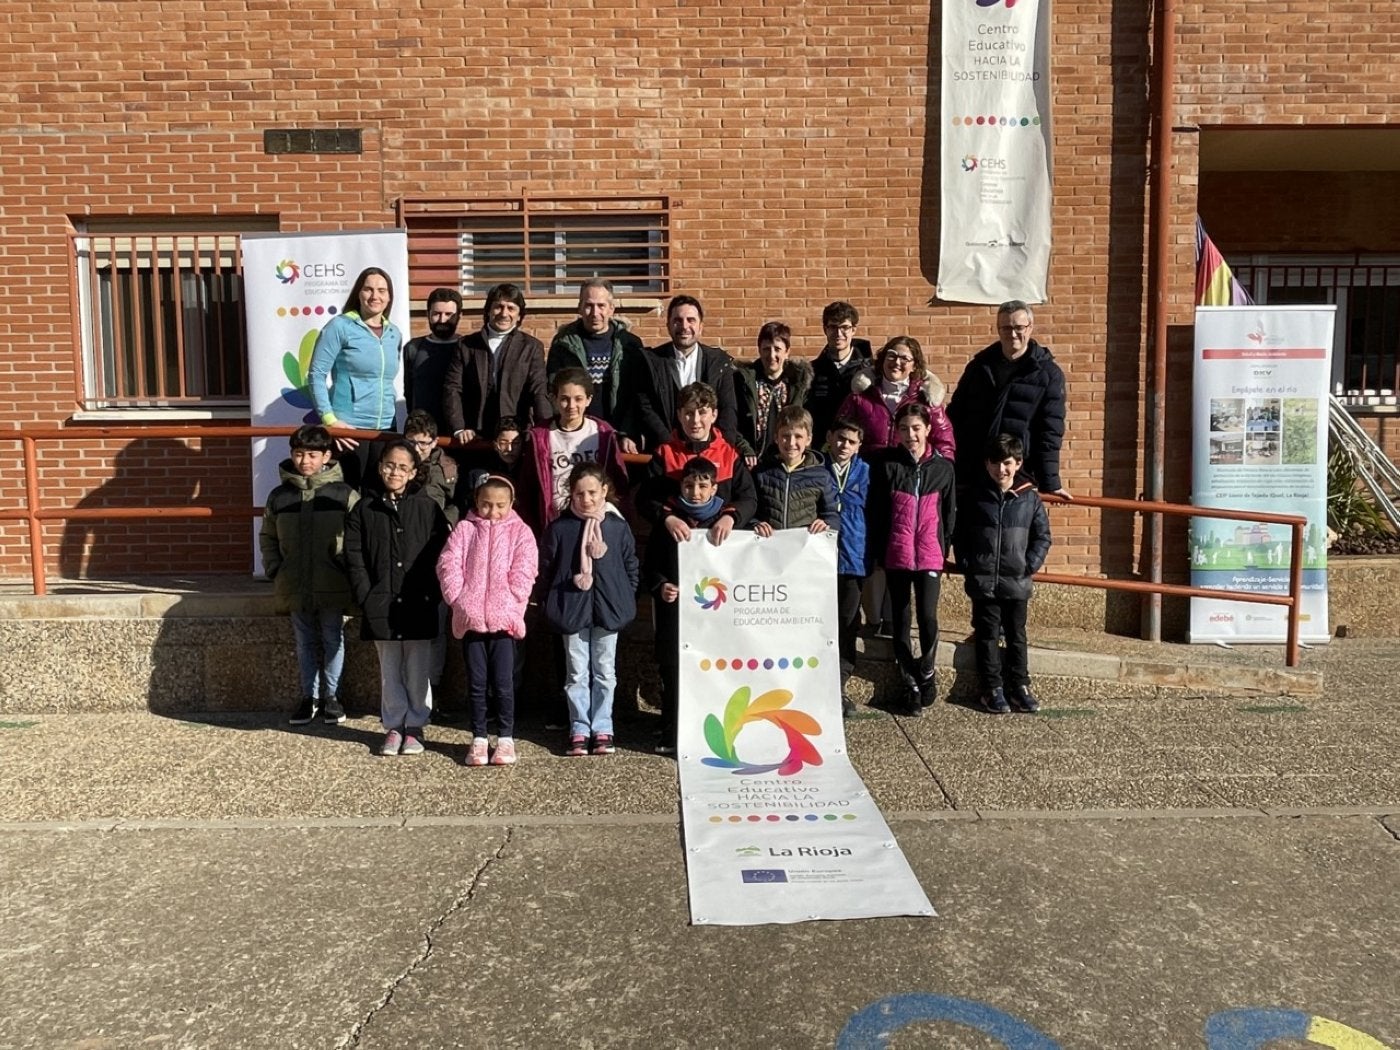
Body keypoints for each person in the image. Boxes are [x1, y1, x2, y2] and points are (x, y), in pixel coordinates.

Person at [637, 381, 757, 752]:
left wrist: (732, 517)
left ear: (714, 415)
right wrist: (665, 517)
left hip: (719, 581)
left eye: (702, 411)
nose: (695, 419)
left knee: (719, 656)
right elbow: (645, 497)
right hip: (675, 572)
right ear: (679, 415)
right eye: (688, 412)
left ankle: (721, 728)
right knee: (673, 656)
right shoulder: (665, 452)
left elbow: (750, 498)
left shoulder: (729, 453)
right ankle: (672, 728)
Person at [344, 440, 449, 757]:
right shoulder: (364, 508)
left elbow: (442, 553)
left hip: (419, 600)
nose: (395, 471)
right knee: (389, 669)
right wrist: (366, 594)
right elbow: (354, 556)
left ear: (414, 472)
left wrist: (433, 591)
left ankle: (416, 724)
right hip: (381, 602)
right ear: (379, 467)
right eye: (389, 464)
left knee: (418, 668)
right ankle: (393, 726)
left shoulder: (427, 507)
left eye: (403, 467)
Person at [641, 457, 746, 754]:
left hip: (715, 617)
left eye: (702, 486)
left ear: (714, 488)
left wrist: (760, 528)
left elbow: (748, 557)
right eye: (689, 485)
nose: (695, 492)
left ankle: (712, 728)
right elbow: (651, 565)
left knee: (712, 671)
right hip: (675, 614)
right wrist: (661, 586)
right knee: (673, 670)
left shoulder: (726, 520)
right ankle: (671, 729)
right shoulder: (669, 521)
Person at [259, 424, 358, 727]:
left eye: (313, 455)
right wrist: (276, 568)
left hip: (333, 580)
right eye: (299, 454)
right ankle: (308, 697)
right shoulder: (279, 496)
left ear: (327, 456)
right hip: (294, 581)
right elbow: (268, 537)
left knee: (332, 636)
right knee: (304, 641)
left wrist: (348, 569)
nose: (305, 461)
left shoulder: (344, 494)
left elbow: (358, 537)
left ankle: (332, 697)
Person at [436, 475, 539, 767]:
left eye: (500, 506)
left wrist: (514, 596)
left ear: (511, 504)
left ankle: (505, 738)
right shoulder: (465, 529)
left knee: (504, 682)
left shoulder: (521, 531)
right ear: (476, 502)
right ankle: (479, 737)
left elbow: (526, 566)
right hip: (471, 619)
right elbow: (449, 562)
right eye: (486, 505)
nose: (492, 512)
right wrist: (457, 596)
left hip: (504, 620)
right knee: (477, 683)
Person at [540, 463, 639, 757]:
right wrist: (548, 602)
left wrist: (624, 595)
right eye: (580, 493)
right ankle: (579, 727)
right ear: (572, 494)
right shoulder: (560, 528)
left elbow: (630, 564)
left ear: (604, 491)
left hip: (608, 609)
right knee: (576, 673)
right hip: (572, 608)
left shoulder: (617, 527)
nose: (587, 499)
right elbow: (546, 568)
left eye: (593, 492)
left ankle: (603, 726)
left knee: (605, 671)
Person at [867, 402, 957, 717]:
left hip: (930, 555)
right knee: (901, 620)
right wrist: (878, 551)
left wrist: (944, 550)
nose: (910, 435)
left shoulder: (943, 468)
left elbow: (949, 513)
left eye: (916, 428)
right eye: (904, 429)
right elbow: (877, 512)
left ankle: (928, 672)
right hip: (897, 554)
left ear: (928, 429)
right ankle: (910, 684)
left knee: (928, 618)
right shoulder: (888, 465)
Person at [956, 433, 1052, 715]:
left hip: (1017, 579)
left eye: (1008, 463)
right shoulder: (976, 495)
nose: (1002, 470)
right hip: (984, 579)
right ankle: (992, 688)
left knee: (1016, 635)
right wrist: (967, 562)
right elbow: (960, 533)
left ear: (1018, 463)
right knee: (986, 635)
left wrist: (1029, 564)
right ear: (987, 464)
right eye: (996, 463)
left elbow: (1042, 536)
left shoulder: (1029, 498)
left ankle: (1020, 686)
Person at [946, 300, 1069, 499]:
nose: (1012, 334)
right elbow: (955, 416)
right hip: (974, 473)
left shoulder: (1047, 375)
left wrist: (1050, 481)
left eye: (1019, 327)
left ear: (1030, 328)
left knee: (1014, 530)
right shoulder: (979, 368)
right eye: (1006, 328)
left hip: (1019, 475)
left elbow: (1050, 431)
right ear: (998, 329)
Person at [306, 266, 404, 491]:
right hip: (349, 430)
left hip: (385, 429)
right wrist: (331, 421)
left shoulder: (394, 333)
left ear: (389, 297)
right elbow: (317, 375)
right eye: (368, 289)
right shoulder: (340, 326)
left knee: (377, 502)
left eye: (382, 290)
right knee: (347, 501)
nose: (375, 296)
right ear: (358, 293)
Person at [443, 283, 553, 456]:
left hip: (515, 436)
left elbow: (539, 390)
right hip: (474, 436)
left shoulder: (531, 347)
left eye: (511, 308)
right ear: (488, 310)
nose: (504, 313)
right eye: (498, 307)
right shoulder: (466, 345)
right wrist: (458, 428)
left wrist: (545, 430)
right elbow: (452, 388)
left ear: (519, 315)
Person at [516, 368, 631, 533]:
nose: (571, 406)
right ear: (554, 399)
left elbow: (619, 484)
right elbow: (527, 487)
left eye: (578, 399)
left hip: (596, 524)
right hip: (554, 525)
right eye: (564, 399)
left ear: (589, 399)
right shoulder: (540, 436)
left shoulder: (603, 433)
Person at [403, 410, 460, 718]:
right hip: (404, 552)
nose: (418, 449)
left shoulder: (447, 467)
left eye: (424, 443)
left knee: (436, 626)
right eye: (413, 442)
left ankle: (434, 688)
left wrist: (446, 522)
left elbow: (457, 503)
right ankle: (412, 690)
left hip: (436, 550)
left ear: (434, 441)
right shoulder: (397, 463)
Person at [546, 278, 643, 453]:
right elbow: (554, 390)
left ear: (611, 308)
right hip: (575, 434)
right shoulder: (563, 344)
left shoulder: (630, 344)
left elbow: (637, 396)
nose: (595, 312)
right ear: (580, 307)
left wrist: (627, 432)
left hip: (618, 433)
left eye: (601, 305)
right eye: (589, 305)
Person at [634, 295, 740, 451]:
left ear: (701, 326)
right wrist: (670, 446)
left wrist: (720, 449)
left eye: (691, 320)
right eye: (678, 320)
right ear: (668, 326)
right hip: (666, 454)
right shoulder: (651, 362)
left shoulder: (719, 362)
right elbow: (645, 408)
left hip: (710, 454)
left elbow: (728, 409)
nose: (684, 326)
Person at [837, 335, 955, 458]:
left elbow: (944, 441)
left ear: (914, 366)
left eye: (905, 358)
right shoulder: (860, 398)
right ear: (883, 360)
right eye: (892, 356)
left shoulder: (926, 398)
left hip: (911, 473)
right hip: (868, 472)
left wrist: (940, 470)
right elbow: (839, 432)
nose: (897, 362)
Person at [824, 416, 871, 717]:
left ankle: (838, 687)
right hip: (821, 560)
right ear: (829, 437)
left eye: (851, 441)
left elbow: (875, 513)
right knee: (819, 623)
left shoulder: (867, 472)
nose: (844, 445)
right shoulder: (815, 467)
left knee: (846, 622)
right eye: (840, 438)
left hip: (854, 558)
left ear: (859, 446)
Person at [734, 321, 813, 465]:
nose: (771, 355)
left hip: (787, 460)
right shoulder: (743, 382)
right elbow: (733, 422)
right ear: (759, 349)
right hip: (752, 461)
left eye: (777, 349)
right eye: (766, 349)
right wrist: (745, 449)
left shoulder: (798, 384)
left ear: (787, 351)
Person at [751, 406, 838, 537]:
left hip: (803, 549)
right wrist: (755, 523)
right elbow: (750, 509)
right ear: (776, 437)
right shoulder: (761, 472)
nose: (791, 443)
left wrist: (826, 522)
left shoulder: (821, 475)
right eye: (785, 436)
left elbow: (832, 514)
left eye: (798, 436)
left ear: (808, 439)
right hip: (769, 547)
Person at [808, 302, 874, 446]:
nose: (838, 334)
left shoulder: (870, 372)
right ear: (825, 329)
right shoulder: (811, 371)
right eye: (833, 327)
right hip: (821, 450)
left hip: (860, 449)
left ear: (853, 330)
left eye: (844, 327)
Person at [402, 287, 463, 438]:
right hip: (422, 437)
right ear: (427, 314)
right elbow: (409, 392)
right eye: (436, 314)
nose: (442, 320)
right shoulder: (413, 348)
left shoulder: (468, 348)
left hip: (458, 436)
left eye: (449, 314)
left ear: (459, 316)